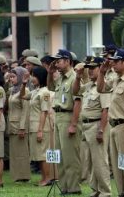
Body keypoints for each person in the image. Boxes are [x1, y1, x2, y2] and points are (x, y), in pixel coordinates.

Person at [97, 48, 124, 197]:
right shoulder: (117, 79)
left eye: (116, 62)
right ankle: (123, 192)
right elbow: (100, 88)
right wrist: (102, 73)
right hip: (115, 127)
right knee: (119, 165)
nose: (113, 65)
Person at [73, 56, 112, 197]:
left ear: (101, 68)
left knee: (100, 161)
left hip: (96, 125)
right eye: (88, 68)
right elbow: (75, 91)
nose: (90, 71)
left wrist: (101, 129)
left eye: (93, 68)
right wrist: (77, 77)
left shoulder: (103, 86)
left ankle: (105, 192)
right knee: (90, 161)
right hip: (86, 125)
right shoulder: (89, 85)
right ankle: (95, 189)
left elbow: (105, 110)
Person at [47, 49, 82, 195]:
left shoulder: (74, 78)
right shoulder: (61, 78)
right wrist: (50, 72)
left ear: (68, 61)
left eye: (59, 61)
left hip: (68, 117)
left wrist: (73, 124)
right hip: (59, 117)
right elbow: (50, 87)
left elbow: (78, 103)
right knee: (60, 156)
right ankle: (65, 186)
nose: (56, 64)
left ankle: (74, 188)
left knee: (70, 157)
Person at [20, 66, 52, 186]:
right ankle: (43, 178)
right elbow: (22, 96)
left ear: (41, 77)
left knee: (43, 154)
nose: (32, 78)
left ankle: (47, 178)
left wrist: (40, 130)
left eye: (34, 76)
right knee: (38, 154)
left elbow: (44, 111)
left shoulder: (44, 92)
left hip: (41, 127)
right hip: (33, 126)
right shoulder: (35, 91)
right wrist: (23, 84)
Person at [7, 67, 31, 182]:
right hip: (11, 124)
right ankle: (16, 175)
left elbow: (25, 110)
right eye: (10, 76)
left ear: (21, 77)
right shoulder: (12, 90)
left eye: (14, 77)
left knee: (22, 152)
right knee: (14, 152)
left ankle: (24, 176)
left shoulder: (24, 91)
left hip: (19, 125)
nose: (11, 79)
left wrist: (22, 127)